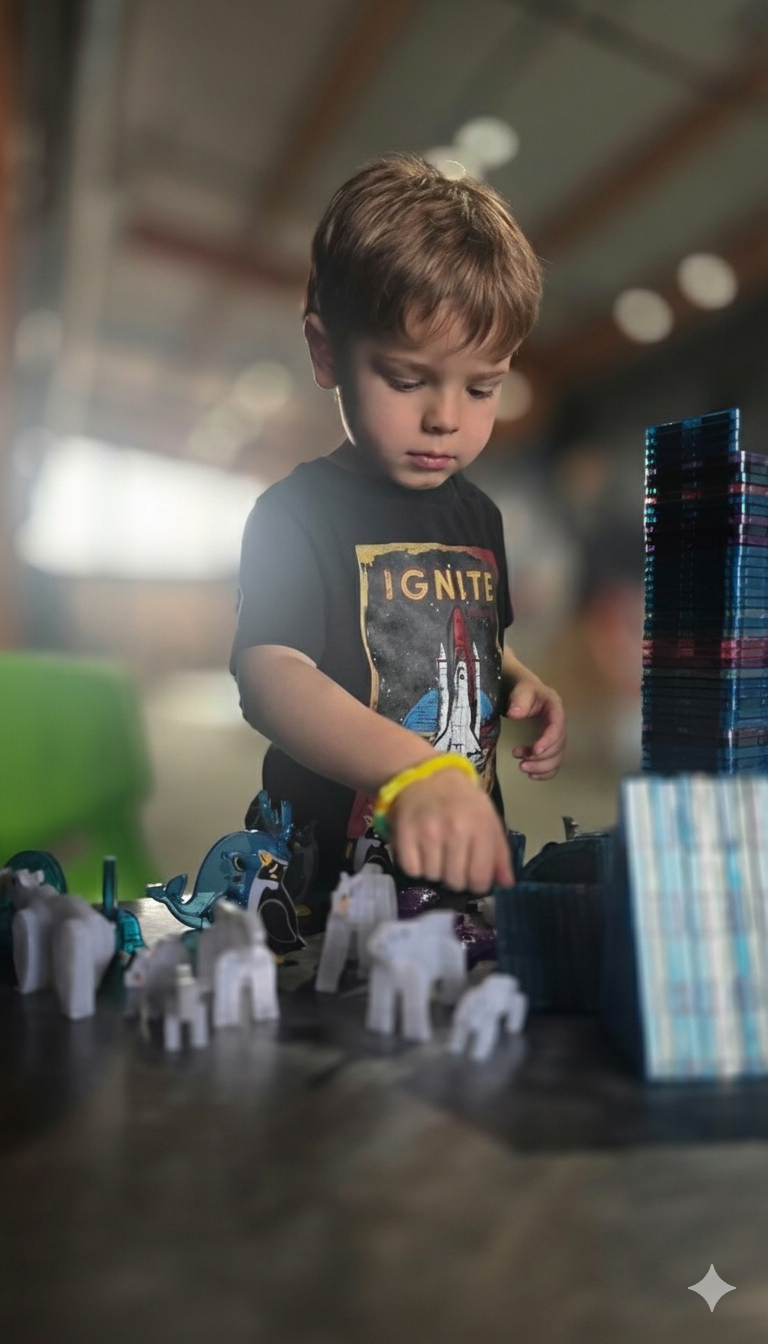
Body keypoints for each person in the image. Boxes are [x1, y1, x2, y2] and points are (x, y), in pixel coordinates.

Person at [231, 153, 566, 900]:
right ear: (327, 352)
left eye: (483, 387)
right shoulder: (294, 515)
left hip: (453, 858)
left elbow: (478, 639)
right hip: (327, 878)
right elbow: (269, 676)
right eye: (407, 379)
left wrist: (521, 681)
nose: (445, 416)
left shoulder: (479, 513)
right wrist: (409, 767)